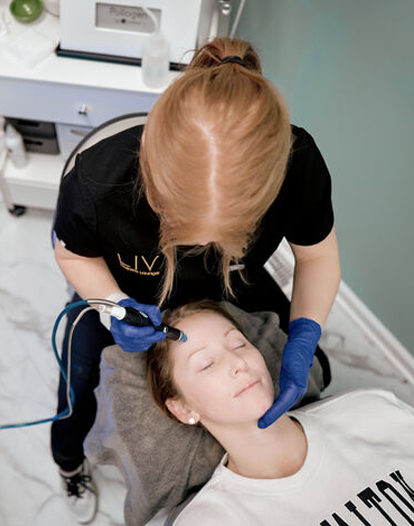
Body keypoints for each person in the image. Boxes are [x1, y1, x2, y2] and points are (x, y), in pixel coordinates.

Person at [52, 36, 341, 522]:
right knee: (77, 386)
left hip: (232, 286)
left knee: (309, 363)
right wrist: (110, 303)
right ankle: (67, 461)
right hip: (125, 290)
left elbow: (318, 258)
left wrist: (305, 339)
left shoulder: (297, 162)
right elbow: (72, 254)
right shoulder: (98, 175)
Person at [146, 300, 414, 526]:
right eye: (207, 364)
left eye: (239, 344)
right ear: (183, 409)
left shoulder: (370, 411)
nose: (238, 362)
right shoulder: (210, 520)